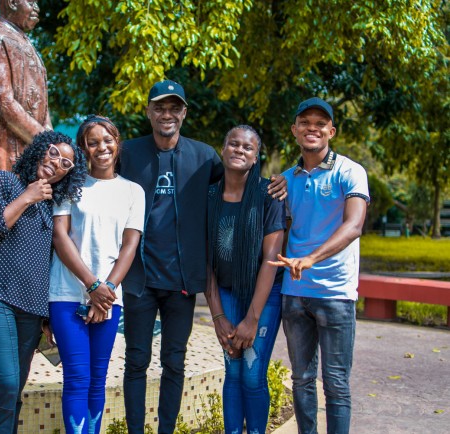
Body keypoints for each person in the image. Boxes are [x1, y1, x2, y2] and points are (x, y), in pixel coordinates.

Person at [118, 80, 287, 433]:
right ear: (148, 111)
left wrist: (276, 182)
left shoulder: (204, 156)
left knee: (174, 363)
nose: (167, 114)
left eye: (174, 108)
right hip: (139, 279)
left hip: (182, 281)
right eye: (159, 107)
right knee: (136, 362)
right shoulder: (128, 153)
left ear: (184, 113)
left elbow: (237, 182)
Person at [0, 130, 86, 434]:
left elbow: (50, 263)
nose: (56, 162)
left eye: (65, 163)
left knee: (16, 388)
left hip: (31, 309)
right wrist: (26, 197)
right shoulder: (4, 181)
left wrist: (47, 318)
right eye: (53, 152)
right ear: (40, 149)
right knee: (6, 383)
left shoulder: (53, 207)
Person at [269, 97, 369, 434]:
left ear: (331, 131)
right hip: (295, 294)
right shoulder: (286, 180)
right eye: (305, 123)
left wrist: (311, 259)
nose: (312, 128)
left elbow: (354, 226)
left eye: (320, 123)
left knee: (336, 383)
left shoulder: (350, 172)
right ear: (295, 130)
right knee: (301, 379)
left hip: (336, 293)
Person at [49, 115, 145, 434]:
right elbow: (60, 236)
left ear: (117, 143)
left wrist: (106, 291)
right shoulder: (70, 185)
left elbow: (129, 246)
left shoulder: (133, 191)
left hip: (108, 299)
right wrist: (92, 285)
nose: (101, 147)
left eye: (107, 140)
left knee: (97, 379)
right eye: (93, 142)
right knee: (77, 377)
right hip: (67, 294)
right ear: (84, 148)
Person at [205, 125, 286, 434]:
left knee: (252, 374)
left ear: (255, 157)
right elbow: (205, 260)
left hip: (264, 294)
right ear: (223, 149)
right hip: (225, 291)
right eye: (233, 144)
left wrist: (252, 319)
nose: (239, 150)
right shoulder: (208, 195)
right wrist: (218, 316)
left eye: (247, 147)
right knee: (233, 371)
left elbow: (271, 259)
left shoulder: (269, 195)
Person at [0, 0, 52, 180]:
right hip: (6, 151)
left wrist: (51, 138)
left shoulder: (24, 41)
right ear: (12, 2)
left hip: (31, 147)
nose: (37, 8)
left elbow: (42, 103)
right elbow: (4, 103)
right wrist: (45, 139)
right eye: (31, 2)